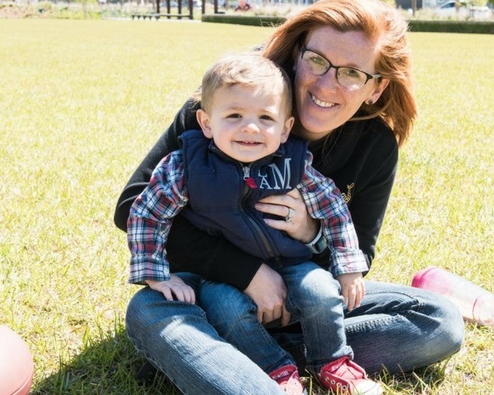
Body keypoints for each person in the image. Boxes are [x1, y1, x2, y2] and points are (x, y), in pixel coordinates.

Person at [115, 0, 464, 395]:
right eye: (317, 60)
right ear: (298, 54)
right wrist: (247, 275)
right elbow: (132, 208)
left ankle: (242, 359)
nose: (326, 83)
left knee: (437, 320)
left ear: (375, 88)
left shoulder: (375, 146)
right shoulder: (233, 97)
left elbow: (358, 254)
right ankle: (245, 368)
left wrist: (310, 231)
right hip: (206, 293)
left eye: (352, 73)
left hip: (304, 299)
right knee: (149, 311)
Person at [127, 53, 382, 394]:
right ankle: (274, 368)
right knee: (226, 308)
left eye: (265, 117)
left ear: (285, 127)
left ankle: (332, 361)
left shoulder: (294, 166)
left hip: (293, 265)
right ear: (205, 122)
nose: (250, 128)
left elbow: (334, 208)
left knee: (322, 290)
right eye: (234, 116)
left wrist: (348, 265)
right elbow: (146, 213)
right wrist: (156, 273)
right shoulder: (187, 166)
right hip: (220, 279)